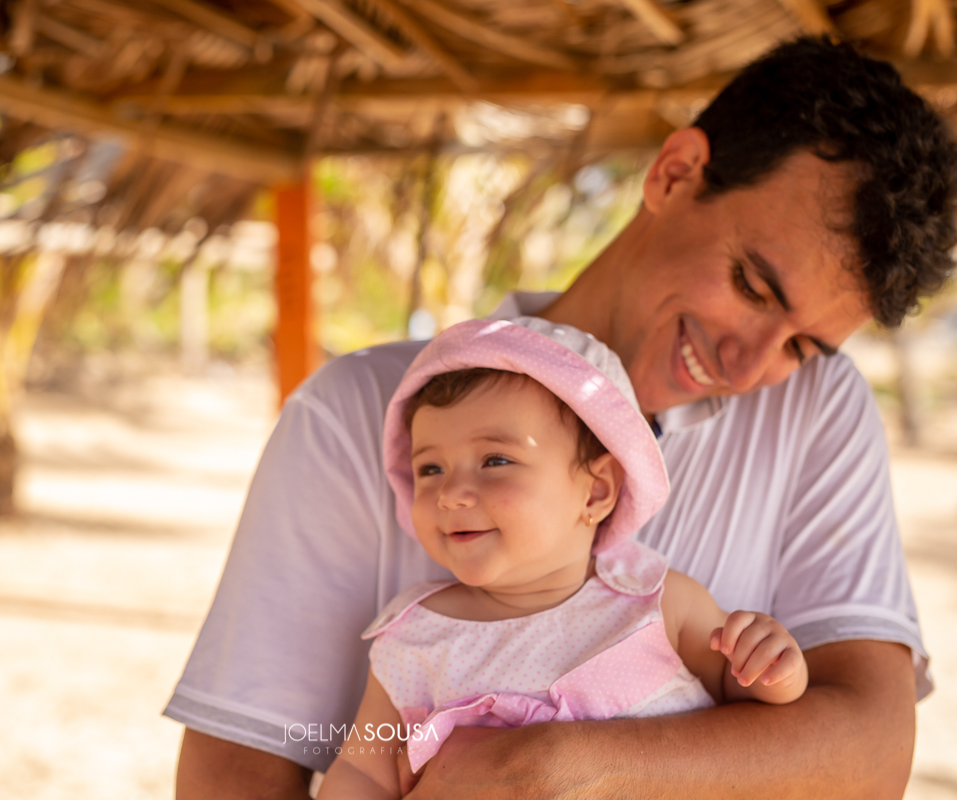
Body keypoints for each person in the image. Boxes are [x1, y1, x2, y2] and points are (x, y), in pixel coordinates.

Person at [168, 37, 957, 798]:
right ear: (675, 173)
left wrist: (562, 766)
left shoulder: (815, 408)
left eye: (803, 345)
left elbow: (871, 755)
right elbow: (243, 768)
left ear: (602, 490)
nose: (748, 367)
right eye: (752, 287)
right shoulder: (358, 414)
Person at [318, 317, 809, 799]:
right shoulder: (413, 639)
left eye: (495, 460)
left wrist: (773, 667)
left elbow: (743, 695)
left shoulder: (656, 603)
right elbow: (364, 770)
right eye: (430, 468)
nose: (451, 493)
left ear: (596, 492)